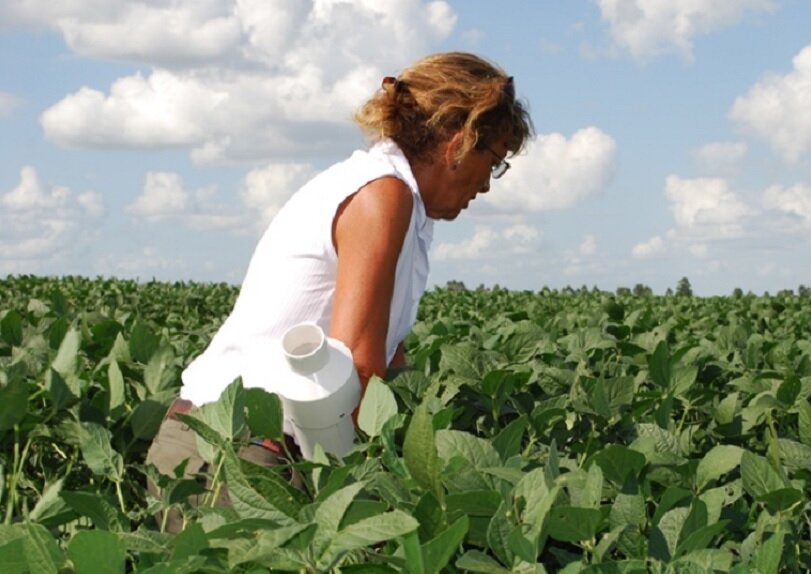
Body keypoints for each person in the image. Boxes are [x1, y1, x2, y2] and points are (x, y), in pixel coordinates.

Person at [144, 52, 533, 529]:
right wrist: (374, 507)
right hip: (235, 459)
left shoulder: (391, 196)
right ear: (459, 142)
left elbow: (389, 356)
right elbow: (357, 364)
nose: (487, 187)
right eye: (493, 161)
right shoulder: (381, 196)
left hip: (241, 451)